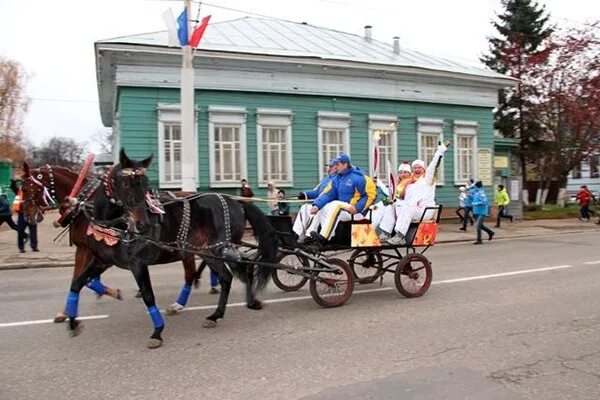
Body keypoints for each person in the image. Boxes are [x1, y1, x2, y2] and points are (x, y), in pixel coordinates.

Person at [383, 141, 450, 245]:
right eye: (414, 167)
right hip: (414, 209)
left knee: (407, 208)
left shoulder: (427, 179)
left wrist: (439, 152)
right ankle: (386, 233)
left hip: (425, 210)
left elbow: (433, 166)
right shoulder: (410, 182)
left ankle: (400, 236)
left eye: (419, 167)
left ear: (423, 169)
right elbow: (401, 197)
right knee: (392, 206)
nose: (417, 169)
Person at [307, 153, 376, 242]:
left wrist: (357, 208)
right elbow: (328, 194)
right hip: (344, 211)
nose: (335, 167)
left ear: (345, 164)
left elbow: (370, 195)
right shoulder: (337, 179)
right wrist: (317, 205)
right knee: (323, 206)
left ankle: (324, 238)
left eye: (338, 164)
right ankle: (325, 236)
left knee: (336, 204)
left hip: (357, 212)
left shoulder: (360, 178)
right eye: (335, 164)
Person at [293, 159, 337, 241]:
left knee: (318, 210)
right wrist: (305, 194)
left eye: (331, 167)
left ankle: (310, 235)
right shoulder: (326, 179)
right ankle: (296, 233)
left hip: (328, 205)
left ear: (336, 167)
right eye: (329, 167)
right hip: (320, 203)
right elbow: (316, 192)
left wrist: (318, 204)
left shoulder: (337, 179)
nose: (329, 169)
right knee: (304, 208)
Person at [376, 161, 412, 234]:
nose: (403, 174)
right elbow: (390, 192)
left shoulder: (410, 183)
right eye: (401, 172)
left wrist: (393, 199)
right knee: (377, 206)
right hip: (396, 203)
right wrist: (379, 183)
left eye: (405, 172)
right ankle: (374, 227)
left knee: (387, 207)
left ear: (409, 173)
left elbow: (400, 196)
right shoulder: (398, 184)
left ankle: (385, 232)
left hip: (404, 206)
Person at [11, 176, 37, 253]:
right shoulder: (19, 191)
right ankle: (21, 247)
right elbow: (12, 187)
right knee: (20, 230)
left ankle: (34, 247)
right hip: (22, 213)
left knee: (33, 231)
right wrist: (14, 181)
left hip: (31, 213)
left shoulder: (33, 190)